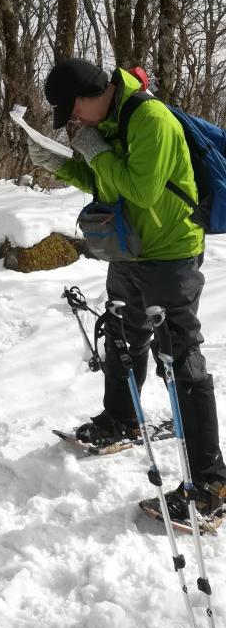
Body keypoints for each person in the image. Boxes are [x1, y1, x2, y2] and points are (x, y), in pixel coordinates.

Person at [30, 57, 226, 522]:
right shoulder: (109, 123)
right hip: (129, 251)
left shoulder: (151, 119)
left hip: (169, 253)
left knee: (179, 357)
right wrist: (62, 163)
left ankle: (212, 483)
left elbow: (140, 190)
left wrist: (96, 152)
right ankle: (123, 418)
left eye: (74, 111)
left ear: (88, 95)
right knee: (121, 334)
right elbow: (105, 182)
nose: (75, 122)